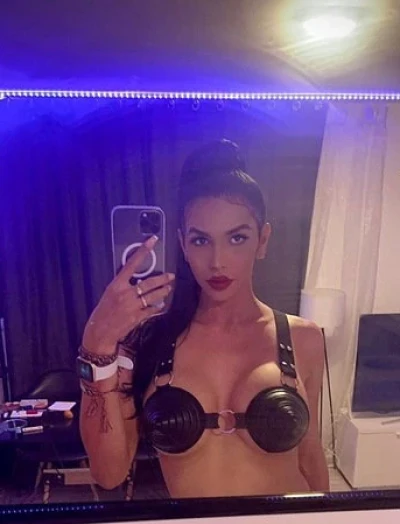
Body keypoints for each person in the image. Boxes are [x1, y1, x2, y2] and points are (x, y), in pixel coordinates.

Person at [79, 139, 329, 498]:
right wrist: (96, 344)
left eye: (237, 238)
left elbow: (310, 454)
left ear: (262, 240)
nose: (217, 261)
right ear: (182, 244)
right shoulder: (150, 340)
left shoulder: (303, 338)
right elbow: (108, 473)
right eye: (201, 241)